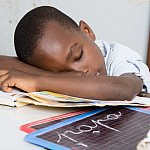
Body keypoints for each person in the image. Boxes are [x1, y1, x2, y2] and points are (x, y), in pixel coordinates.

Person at [0, 6, 150, 101]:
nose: (79, 73)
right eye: (62, 72)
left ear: (87, 31)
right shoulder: (63, 68)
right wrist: (57, 77)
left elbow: (124, 89)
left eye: (78, 56)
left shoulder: (118, 57)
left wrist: (38, 82)